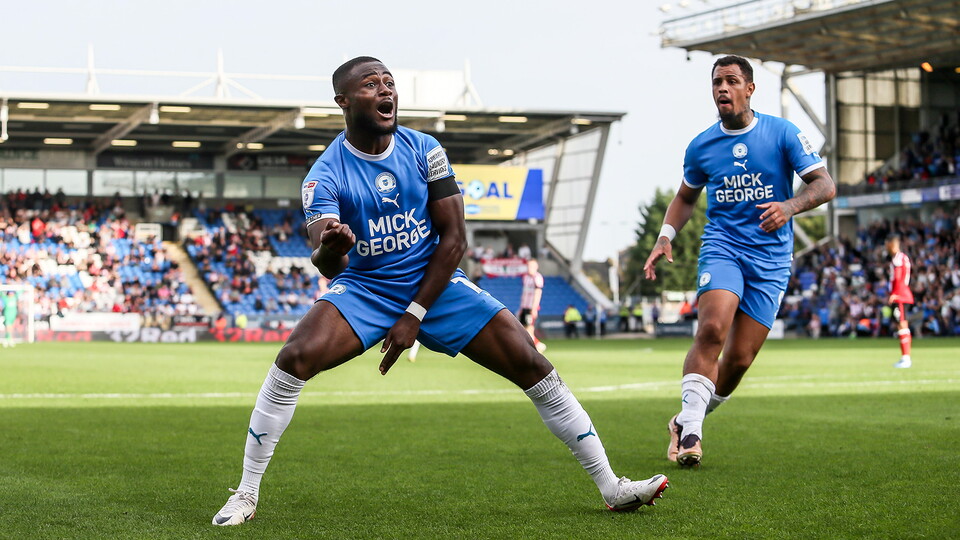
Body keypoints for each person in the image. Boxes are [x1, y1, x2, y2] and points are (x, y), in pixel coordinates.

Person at [212, 57, 668, 526]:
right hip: (367, 286)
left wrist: (414, 314)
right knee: (294, 358)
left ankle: (612, 485)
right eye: (371, 85)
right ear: (344, 102)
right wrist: (332, 247)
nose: (386, 90)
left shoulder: (424, 148)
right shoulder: (324, 175)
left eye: (389, 82)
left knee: (532, 362)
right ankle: (245, 493)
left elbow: (455, 240)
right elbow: (327, 261)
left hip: (437, 280)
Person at [643, 55, 836, 468]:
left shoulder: (782, 133)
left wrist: (790, 205)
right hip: (724, 247)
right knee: (712, 327)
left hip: (771, 259)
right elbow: (685, 197)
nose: (722, 89)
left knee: (738, 362)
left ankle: (684, 420)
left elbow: (825, 185)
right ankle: (693, 435)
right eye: (716, 82)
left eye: (731, 81)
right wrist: (664, 237)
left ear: (750, 88)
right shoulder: (701, 146)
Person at [886, 234, 914, 368]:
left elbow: (898, 277)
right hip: (904, 294)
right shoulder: (903, 257)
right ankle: (905, 357)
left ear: (892, 244)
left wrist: (895, 294)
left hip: (901, 295)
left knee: (902, 326)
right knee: (902, 326)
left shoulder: (897, 258)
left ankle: (906, 358)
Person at [518, 259, 547, 353]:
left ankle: (536, 347)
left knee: (529, 328)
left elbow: (538, 293)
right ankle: (536, 346)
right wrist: (521, 307)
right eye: (528, 266)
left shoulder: (537, 277)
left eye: (532, 266)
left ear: (536, 267)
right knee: (523, 328)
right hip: (525, 307)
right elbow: (524, 293)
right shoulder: (525, 277)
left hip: (531, 307)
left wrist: (534, 308)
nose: (529, 268)